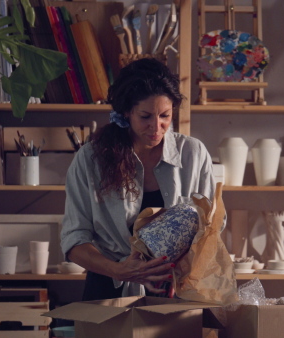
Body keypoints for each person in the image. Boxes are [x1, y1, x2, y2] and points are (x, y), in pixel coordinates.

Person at [60, 58, 217, 301]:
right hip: (109, 286)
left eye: (165, 115)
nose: (157, 126)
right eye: (145, 116)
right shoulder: (91, 158)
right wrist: (120, 270)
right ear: (126, 112)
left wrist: (182, 269)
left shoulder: (193, 154)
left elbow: (210, 227)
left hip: (176, 287)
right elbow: (74, 240)